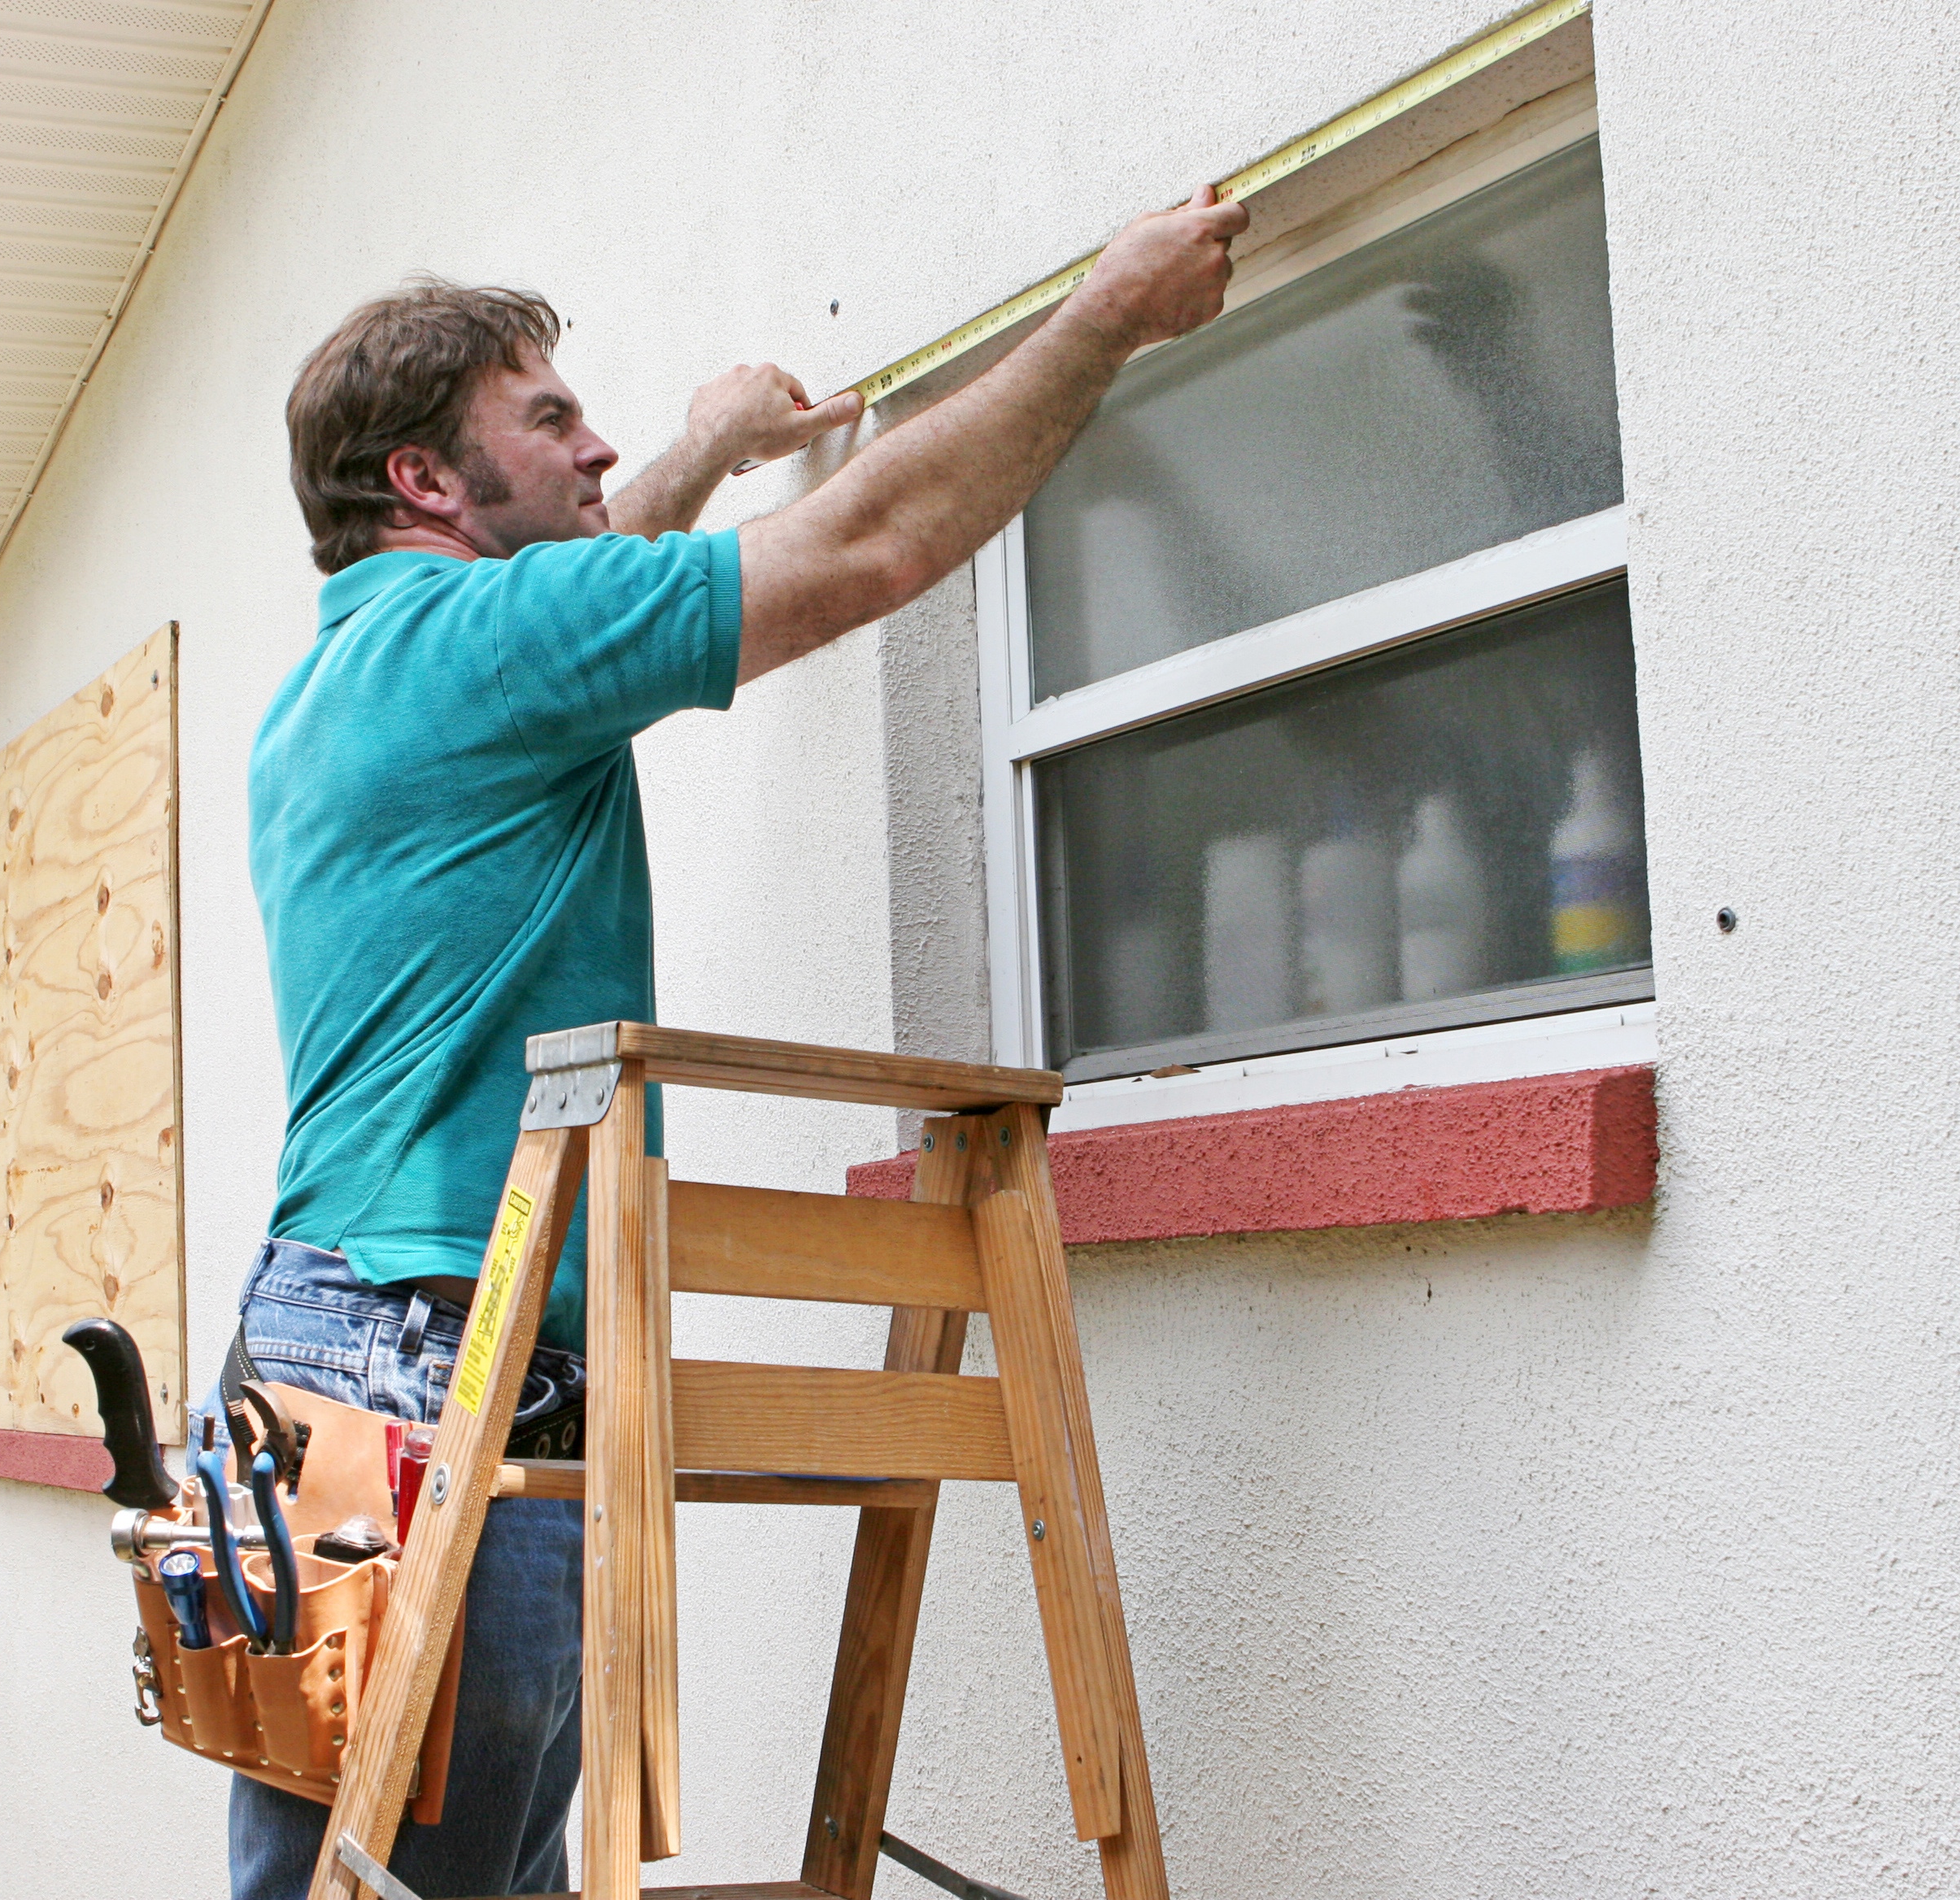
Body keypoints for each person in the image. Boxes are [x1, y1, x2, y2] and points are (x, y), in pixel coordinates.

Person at [227, 183, 1247, 1898]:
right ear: (423, 482)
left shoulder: (340, 679)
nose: (595, 444)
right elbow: (868, 549)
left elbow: (596, 580)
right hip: (439, 1358)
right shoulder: (489, 641)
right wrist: (1105, 316)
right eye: (547, 419)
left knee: (354, 1875)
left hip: (326, 1348)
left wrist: (703, 443)